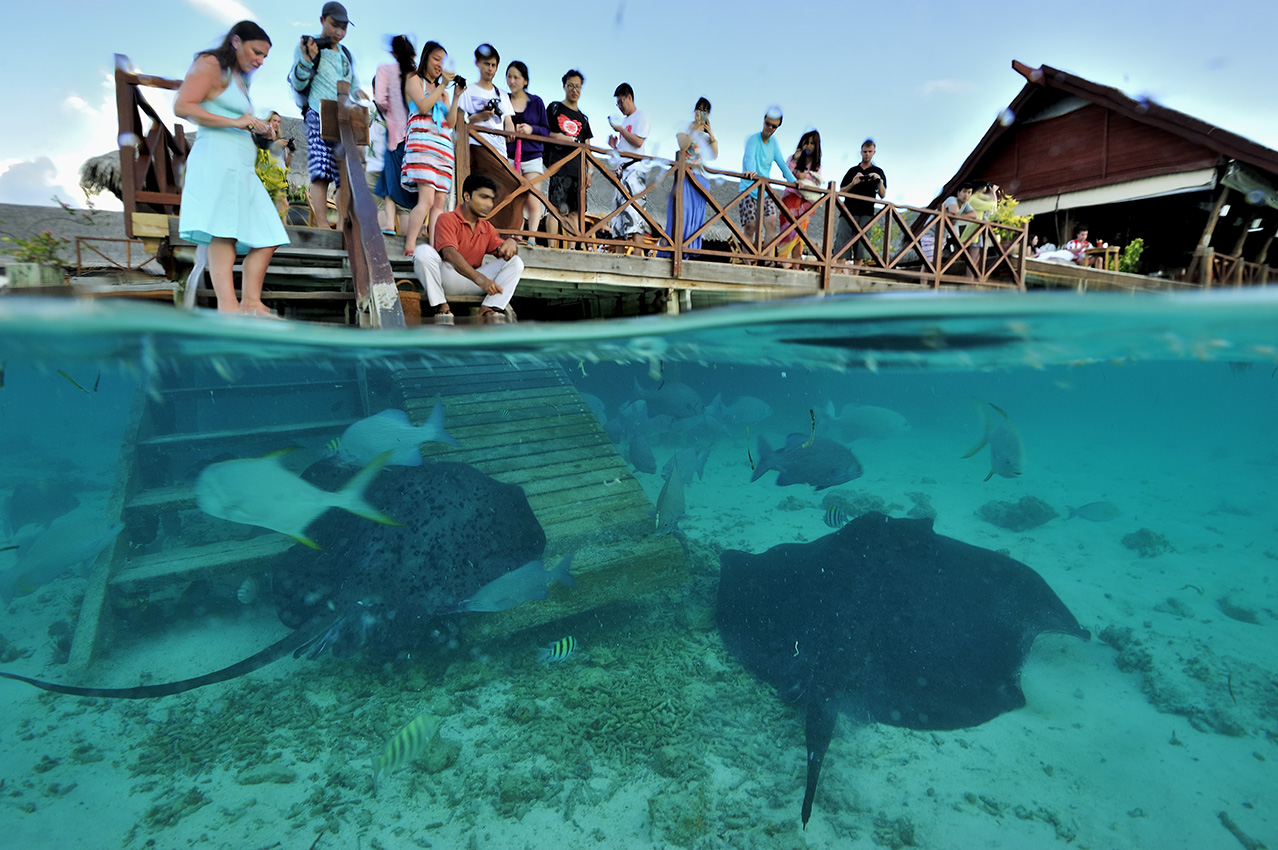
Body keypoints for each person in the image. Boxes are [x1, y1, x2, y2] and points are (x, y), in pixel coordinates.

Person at [176, 20, 288, 316]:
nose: (260, 61)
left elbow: (237, 118)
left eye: (265, 56)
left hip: (241, 164)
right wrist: (237, 122)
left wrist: (259, 131)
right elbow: (183, 106)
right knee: (222, 231)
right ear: (236, 41)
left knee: (270, 234)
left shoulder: (240, 78)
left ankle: (251, 301)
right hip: (217, 158)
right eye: (256, 52)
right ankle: (229, 307)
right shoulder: (210, 63)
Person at [287, 2, 366, 230]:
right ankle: (322, 224)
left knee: (345, 174)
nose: (339, 32)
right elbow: (298, 81)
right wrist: (307, 60)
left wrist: (359, 95)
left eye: (343, 27)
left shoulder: (345, 54)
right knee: (320, 171)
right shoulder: (309, 45)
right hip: (317, 112)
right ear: (322, 20)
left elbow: (354, 84)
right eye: (334, 25)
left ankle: (341, 223)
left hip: (344, 117)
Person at [412, 174, 522, 325]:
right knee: (422, 252)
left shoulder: (487, 227)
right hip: (448, 279)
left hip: (475, 284)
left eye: (491, 199)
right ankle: (441, 306)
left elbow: (503, 251)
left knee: (516, 262)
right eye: (484, 197)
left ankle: (489, 307)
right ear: (467, 196)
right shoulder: (447, 219)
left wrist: (511, 242)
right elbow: (449, 253)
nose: (489, 204)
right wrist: (480, 279)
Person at [401, 40, 464, 255]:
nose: (440, 65)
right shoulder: (413, 80)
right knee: (426, 200)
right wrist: (443, 86)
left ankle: (434, 248)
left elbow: (451, 122)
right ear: (425, 58)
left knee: (439, 202)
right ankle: (410, 245)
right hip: (422, 145)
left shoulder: (443, 91)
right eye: (436, 59)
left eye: (443, 61)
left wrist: (456, 96)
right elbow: (423, 106)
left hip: (442, 148)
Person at [459, 44, 521, 232]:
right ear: (477, 64)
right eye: (487, 64)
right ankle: (486, 229)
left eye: (494, 65)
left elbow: (508, 120)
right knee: (487, 190)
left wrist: (511, 131)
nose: (490, 69)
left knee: (514, 187)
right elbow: (460, 121)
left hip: (499, 149)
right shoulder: (468, 91)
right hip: (476, 147)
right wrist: (480, 117)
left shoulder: (502, 94)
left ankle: (503, 231)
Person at [660, 97, 718, 258]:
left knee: (695, 216)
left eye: (706, 111)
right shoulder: (684, 130)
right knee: (681, 212)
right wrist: (695, 129)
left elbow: (714, 155)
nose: (702, 113)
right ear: (695, 111)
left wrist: (710, 132)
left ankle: (690, 250)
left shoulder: (709, 135)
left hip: (701, 179)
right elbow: (683, 145)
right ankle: (674, 249)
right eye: (700, 109)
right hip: (685, 177)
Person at [543, 70, 594, 248]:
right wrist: (561, 138)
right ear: (564, 86)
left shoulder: (584, 119)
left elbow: (588, 147)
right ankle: (551, 248)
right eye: (571, 85)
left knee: (575, 212)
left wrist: (590, 170)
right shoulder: (555, 108)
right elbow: (544, 132)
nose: (574, 90)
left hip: (578, 170)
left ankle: (571, 249)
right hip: (559, 166)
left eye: (578, 86)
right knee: (555, 209)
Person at [371, 34, 415, 235]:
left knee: (390, 182)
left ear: (392, 52)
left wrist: (392, 111)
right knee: (408, 186)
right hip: (415, 137)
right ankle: (408, 233)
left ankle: (389, 224)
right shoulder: (415, 75)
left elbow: (380, 99)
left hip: (395, 135)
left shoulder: (385, 70)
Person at [739, 107, 795, 261]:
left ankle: (767, 260)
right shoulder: (753, 139)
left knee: (771, 222)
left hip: (765, 190)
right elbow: (749, 157)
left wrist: (794, 182)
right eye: (768, 124)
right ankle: (746, 262)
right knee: (751, 226)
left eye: (774, 126)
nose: (769, 128)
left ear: (777, 128)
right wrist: (751, 171)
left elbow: (782, 164)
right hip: (749, 188)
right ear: (764, 121)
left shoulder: (774, 143)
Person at [505, 60, 549, 243]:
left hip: (531, 155)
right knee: (513, 197)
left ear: (525, 81)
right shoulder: (503, 99)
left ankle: (531, 237)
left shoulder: (536, 102)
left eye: (516, 77)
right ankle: (515, 235)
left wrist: (532, 130)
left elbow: (546, 131)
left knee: (532, 197)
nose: (512, 81)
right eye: (509, 76)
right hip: (509, 155)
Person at [608, 83, 651, 245]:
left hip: (636, 169)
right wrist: (613, 146)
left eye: (621, 102)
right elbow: (624, 150)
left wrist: (621, 130)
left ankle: (637, 255)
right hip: (622, 171)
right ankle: (618, 256)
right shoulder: (625, 122)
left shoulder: (642, 116)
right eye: (617, 103)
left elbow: (638, 142)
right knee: (619, 218)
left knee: (635, 216)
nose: (619, 107)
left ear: (629, 98)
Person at [777, 130, 822, 267]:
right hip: (790, 199)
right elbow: (786, 174)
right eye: (806, 143)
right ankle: (782, 261)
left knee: (799, 235)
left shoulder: (816, 165)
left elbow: (817, 182)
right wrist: (795, 160)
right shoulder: (792, 158)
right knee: (787, 232)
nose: (808, 146)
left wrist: (805, 177)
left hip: (805, 203)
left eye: (812, 144)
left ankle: (796, 266)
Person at [837, 138, 887, 264]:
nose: (867, 154)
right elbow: (841, 191)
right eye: (865, 151)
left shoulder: (878, 171)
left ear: (874, 152)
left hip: (866, 212)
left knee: (862, 244)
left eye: (870, 151)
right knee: (842, 242)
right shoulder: (852, 170)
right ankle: (838, 272)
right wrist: (853, 183)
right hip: (848, 211)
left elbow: (882, 194)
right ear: (861, 152)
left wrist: (879, 180)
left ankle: (856, 274)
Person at [255, 110, 293, 219]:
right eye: (274, 121)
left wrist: (291, 152)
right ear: (267, 121)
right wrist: (275, 145)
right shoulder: (261, 140)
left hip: (279, 180)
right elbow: (261, 159)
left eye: (279, 122)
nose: (276, 124)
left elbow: (286, 164)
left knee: (283, 208)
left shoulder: (279, 141)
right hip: (266, 180)